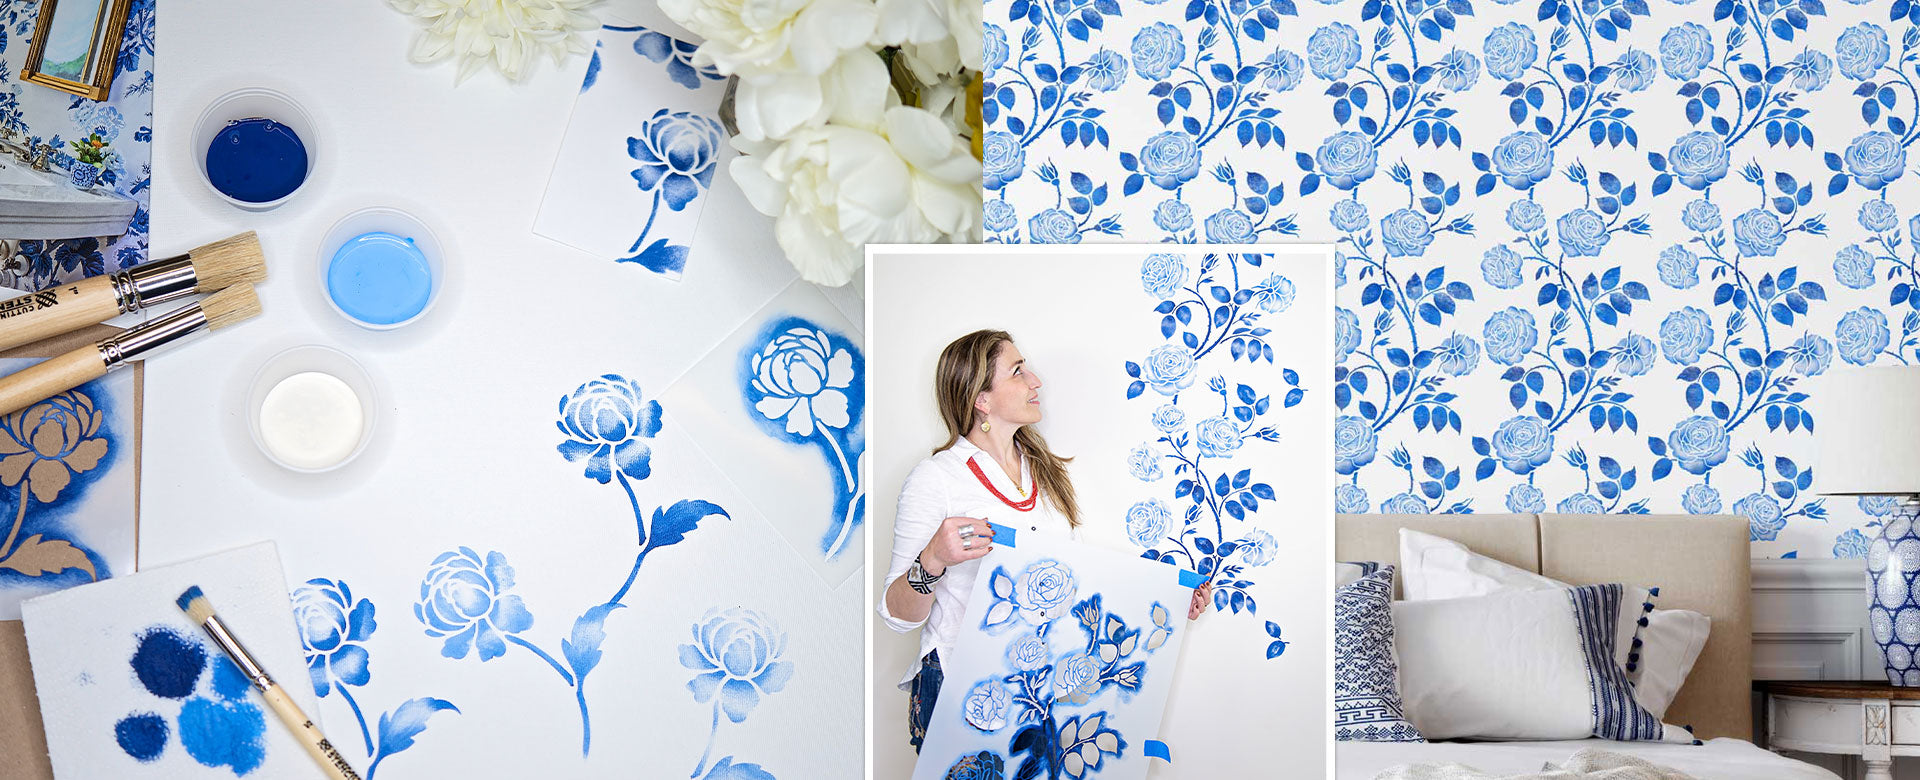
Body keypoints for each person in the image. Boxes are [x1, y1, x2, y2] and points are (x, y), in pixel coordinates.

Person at [876, 329, 1209, 753]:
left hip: (1036, 692)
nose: (1036, 381)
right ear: (982, 399)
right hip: (963, 688)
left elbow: (1078, 583)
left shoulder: (1046, 473)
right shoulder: (936, 478)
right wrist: (933, 559)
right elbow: (896, 615)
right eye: (1017, 372)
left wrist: (1172, 601)